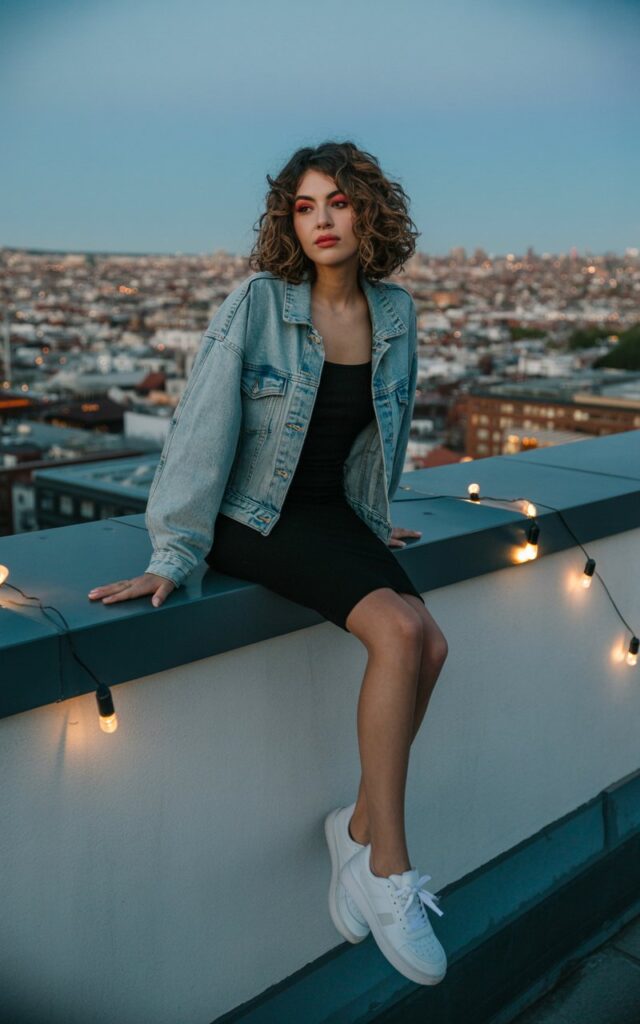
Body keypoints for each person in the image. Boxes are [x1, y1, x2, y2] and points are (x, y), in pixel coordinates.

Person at [87, 140, 450, 986]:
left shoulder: (394, 312)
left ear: (368, 212)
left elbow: (377, 438)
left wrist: (374, 521)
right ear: (289, 220)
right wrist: (174, 549)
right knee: (400, 634)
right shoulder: (258, 301)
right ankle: (385, 867)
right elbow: (201, 425)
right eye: (304, 206)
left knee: (433, 645)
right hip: (256, 515)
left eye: (338, 202)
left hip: (330, 517)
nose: (322, 220)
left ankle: (355, 831)